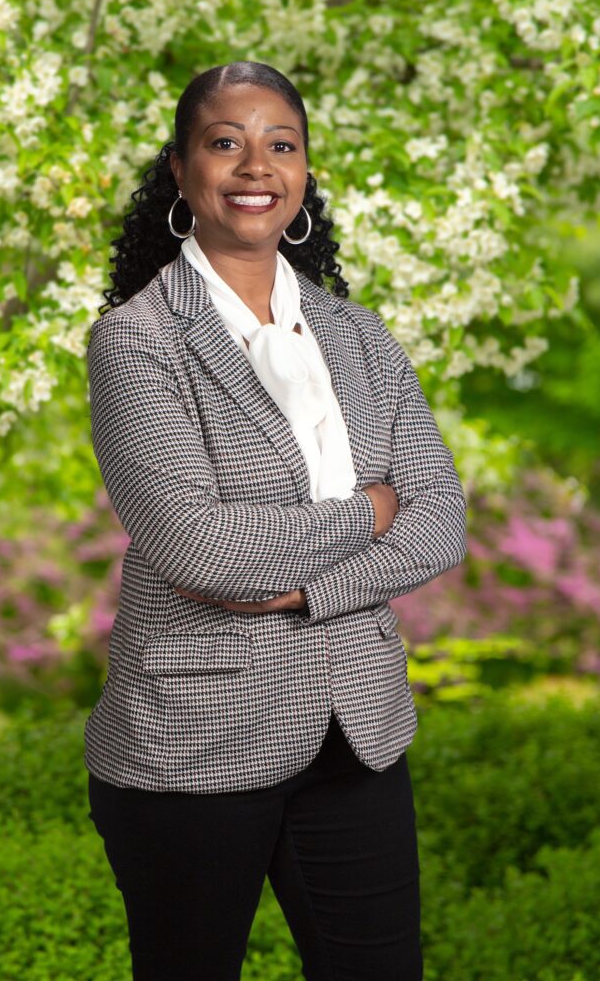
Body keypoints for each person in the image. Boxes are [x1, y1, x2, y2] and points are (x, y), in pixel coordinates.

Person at [84, 60, 467, 981]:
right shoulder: (135, 341)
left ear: (302, 171)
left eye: (280, 145)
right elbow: (194, 544)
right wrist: (370, 511)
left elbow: (441, 517)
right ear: (180, 171)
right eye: (226, 143)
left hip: (356, 730)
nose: (256, 165)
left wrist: (302, 588)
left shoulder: (358, 335)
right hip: (194, 741)